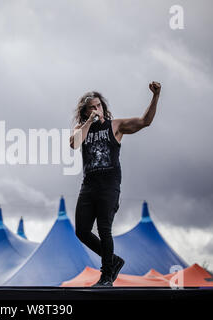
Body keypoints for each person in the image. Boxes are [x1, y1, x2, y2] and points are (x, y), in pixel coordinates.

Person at [69, 81, 161, 287]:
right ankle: (114, 260)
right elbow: (74, 144)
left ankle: (107, 276)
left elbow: (145, 121)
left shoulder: (115, 126)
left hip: (109, 186)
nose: (96, 110)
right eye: (91, 107)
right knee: (82, 231)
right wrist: (88, 123)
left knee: (104, 230)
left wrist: (156, 96)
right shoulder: (81, 129)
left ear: (104, 107)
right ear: (85, 112)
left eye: (98, 105)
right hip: (89, 185)